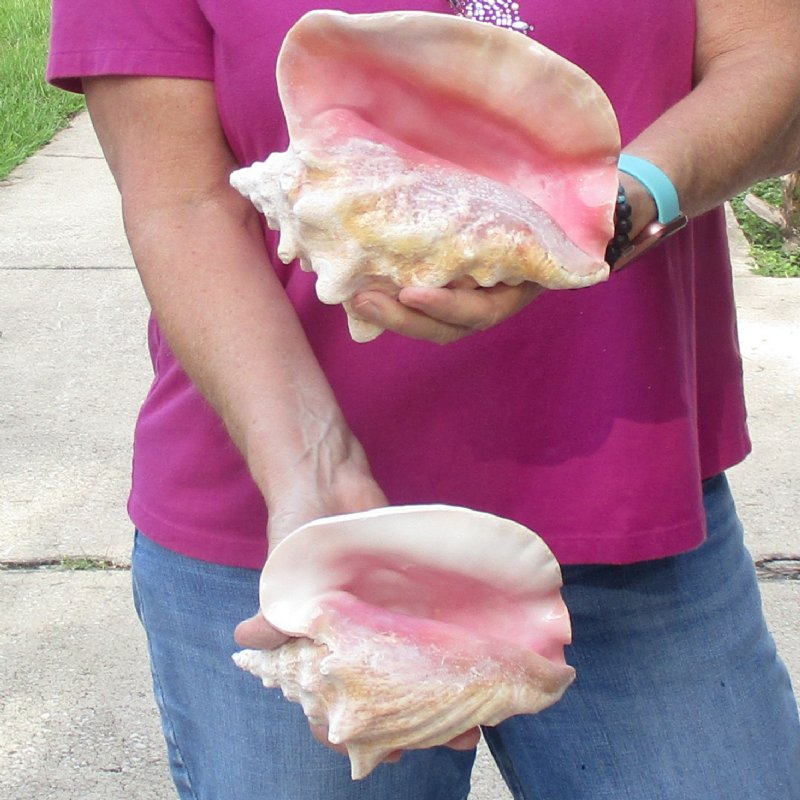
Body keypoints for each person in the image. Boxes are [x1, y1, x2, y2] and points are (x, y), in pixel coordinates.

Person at [48, 1, 800, 798]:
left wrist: (607, 212)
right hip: (290, 524)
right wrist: (311, 467)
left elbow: (776, 69)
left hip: (630, 501)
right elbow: (182, 202)